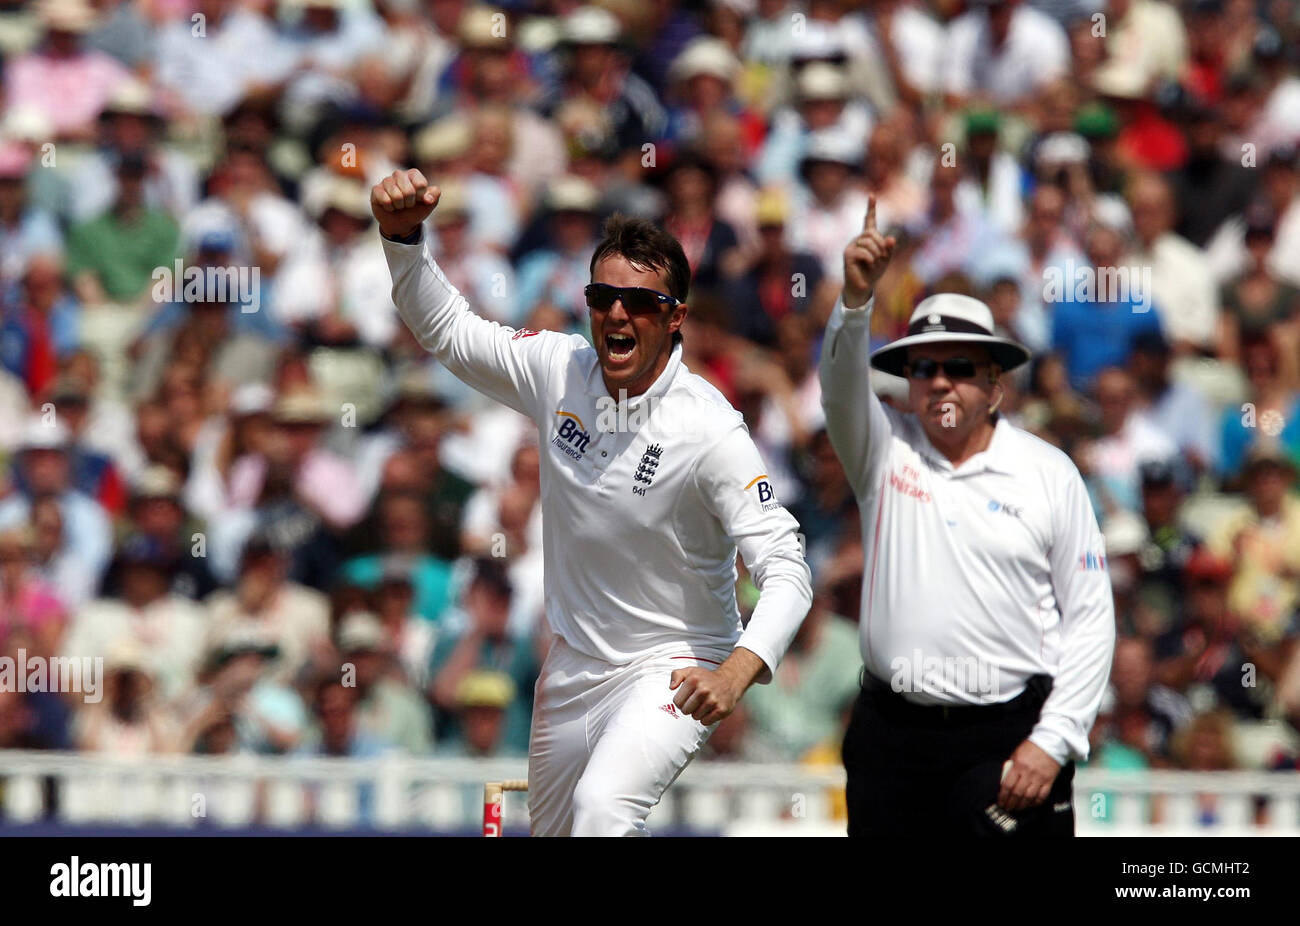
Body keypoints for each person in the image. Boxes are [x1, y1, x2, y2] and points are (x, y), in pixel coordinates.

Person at [372, 168, 812, 836]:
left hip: (677, 663)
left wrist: (737, 672)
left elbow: (787, 567)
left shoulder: (710, 429)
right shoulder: (559, 369)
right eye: (603, 296)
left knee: (604, 810)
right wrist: (403, 239)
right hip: (574, 664)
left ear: (675, 317)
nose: (616, 314)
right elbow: (451, 334)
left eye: (639, 303)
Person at [822, 196, 1115, 837]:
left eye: (961, 367)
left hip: (1007, 736)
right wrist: (854, 301)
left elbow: (1091, 619)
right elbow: (839, 387)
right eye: (924, 367)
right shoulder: (883, 450)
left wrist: (1055, 738)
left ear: (995, 385)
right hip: (890, 740)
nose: (941, 382)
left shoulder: (1048, 472)